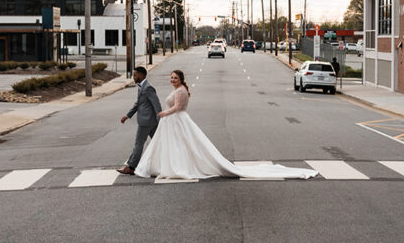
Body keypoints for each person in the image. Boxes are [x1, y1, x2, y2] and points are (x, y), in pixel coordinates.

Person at [135, 69, 317, 180]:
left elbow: (177, 107)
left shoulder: (181, 91)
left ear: (181, 80)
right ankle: (167, 165)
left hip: (178, 121)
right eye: (171, 77)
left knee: (184, 145)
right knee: (175, 146)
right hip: (172, 122)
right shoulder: (178, 89)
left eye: (175, 78)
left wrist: (164, 113)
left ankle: (179, 167)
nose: (172, 80)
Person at [118, 66, 161, 175]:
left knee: (139, 144)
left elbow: (157, 104)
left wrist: (160, 119)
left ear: (141, 75)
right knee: (159, 143)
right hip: (150, 121)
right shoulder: (141, 86)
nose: (133, 77)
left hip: (146, 121)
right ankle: (166, 163)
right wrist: (128, 115)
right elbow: (138, 103)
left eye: (135, 75)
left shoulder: (148, 88)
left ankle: (131, 167)